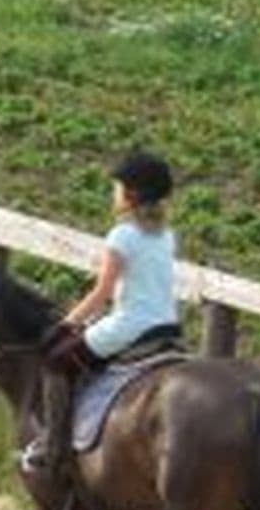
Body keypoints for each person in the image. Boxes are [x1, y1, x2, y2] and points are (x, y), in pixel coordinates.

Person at [35, 148, 182, 480]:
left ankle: (53, 446)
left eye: (116, 187)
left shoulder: (122, 234)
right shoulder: (166, 235)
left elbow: (101, 294)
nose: (113, 193)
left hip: (129, 326)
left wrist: (65, 325)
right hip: (168, 327)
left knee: (55, 360)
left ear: (130, 194)